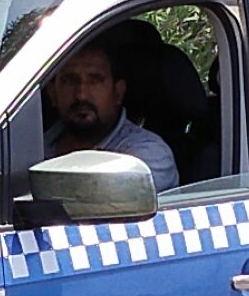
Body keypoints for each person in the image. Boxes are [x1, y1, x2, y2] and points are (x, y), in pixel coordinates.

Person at [44, 37, 180, 192]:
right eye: (70, 80)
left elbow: (99, 205)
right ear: (52, 93)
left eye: (95, 80)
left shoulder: (147, 155)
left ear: (117, 93)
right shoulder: (27, 148)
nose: (81, 94)